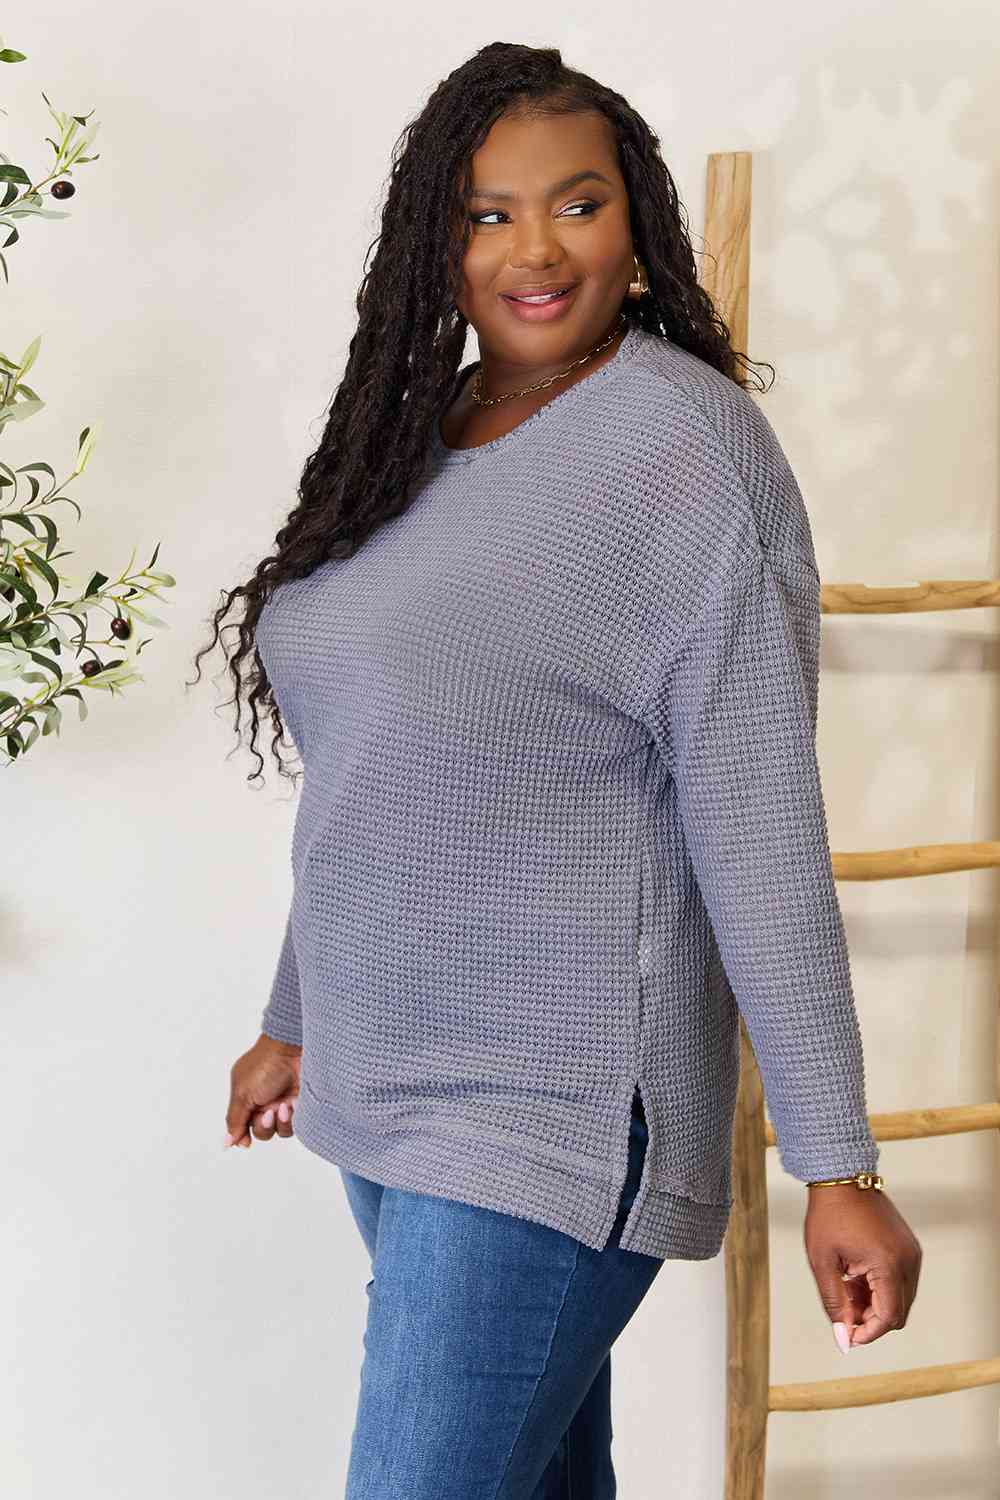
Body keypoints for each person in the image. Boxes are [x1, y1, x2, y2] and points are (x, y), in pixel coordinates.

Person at [201, 41, 922, 1499]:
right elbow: (388, 769)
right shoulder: (414, 436)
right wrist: (297, 1015)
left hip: (552, 1105)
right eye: (489, 215)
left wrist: (837, 1163)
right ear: (439, 244)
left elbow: (759, 824)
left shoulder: (684, 448)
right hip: (388, 1086)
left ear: (636, 228)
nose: (534, 250)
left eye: (577, 205)